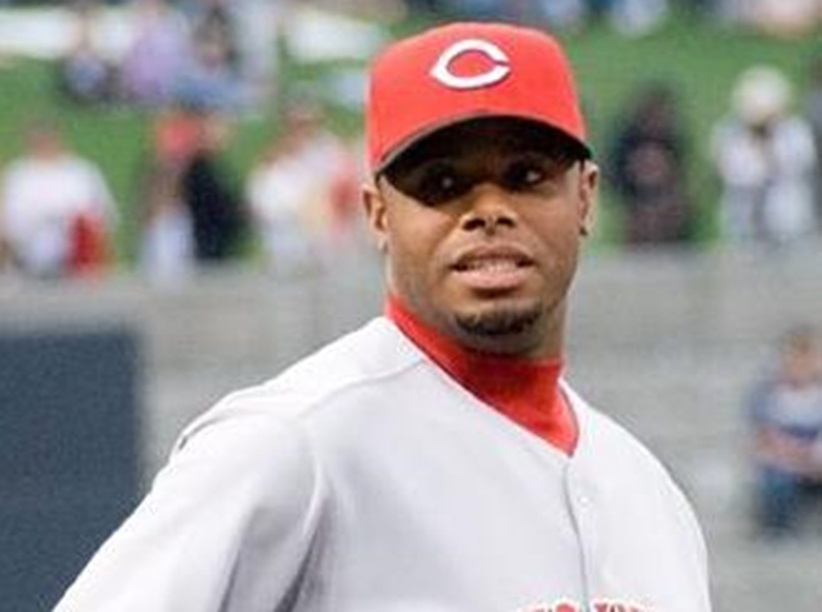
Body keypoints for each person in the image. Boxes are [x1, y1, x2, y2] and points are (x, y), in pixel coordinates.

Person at [54, 22, 711, 611]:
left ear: (586, 197)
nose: (488, 209)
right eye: (442, 184)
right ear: (377, 214)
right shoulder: (295, 444)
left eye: (526, 174)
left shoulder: (650, 497)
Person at [710, 65, 818, 247]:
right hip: (745, 226)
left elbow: (797, 165)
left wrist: (767, 148)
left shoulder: (794, 131)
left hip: (791, 222)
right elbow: (738, 174)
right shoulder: (729, 132)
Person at [0, 118, 116, 278]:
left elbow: (101, 215)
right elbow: (7, 220)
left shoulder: (81, 171)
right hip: (26, 256)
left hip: (74, 259)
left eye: (47, 139)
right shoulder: (18, 173)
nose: (43, 144)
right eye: (38, 140)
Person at [748, 325, 822, 538]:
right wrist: (800, 461)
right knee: (777, 483)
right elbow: (766, 439)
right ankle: (778, 534)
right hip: (785, 464)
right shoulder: (768, 396)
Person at [608, 81, 694, 245]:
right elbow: (615, 173)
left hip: (666, 199)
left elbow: (681, 174)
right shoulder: (627, 139)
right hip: (634, 198)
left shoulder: (673, 139)